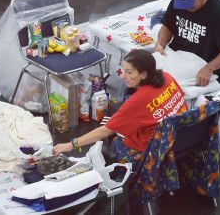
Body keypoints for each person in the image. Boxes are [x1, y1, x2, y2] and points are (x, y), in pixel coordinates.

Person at [53, 49, 188, 170]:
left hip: (151, 150)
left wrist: (71, 145)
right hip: (178, 136)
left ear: (144, 74)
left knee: (112, 136)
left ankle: (118, 164)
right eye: (123, 70)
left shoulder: (137, 101)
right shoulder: (167, 77)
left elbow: (105, 131)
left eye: (129, 72)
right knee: (117, 108)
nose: (123, 76)